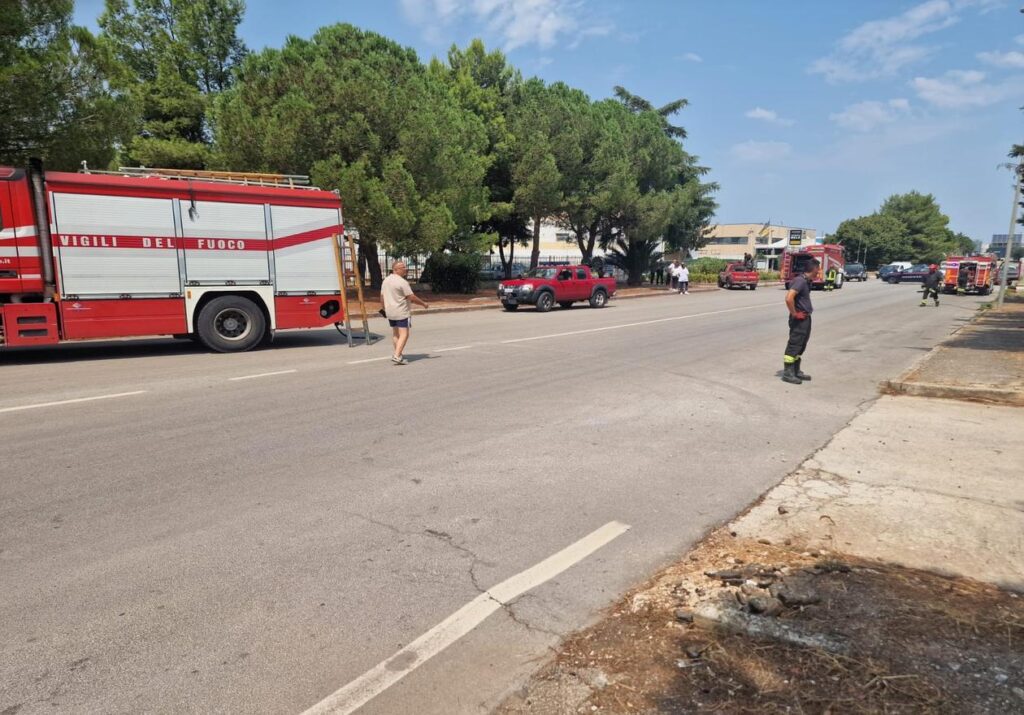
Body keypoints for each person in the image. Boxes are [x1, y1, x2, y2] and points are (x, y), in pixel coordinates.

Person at [381, 261, 428, 365]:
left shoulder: (386, 281)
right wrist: (423, 304)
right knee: (404, 334)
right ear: (395, 269)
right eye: (402, 267)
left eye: (405, 267)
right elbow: (411, 297)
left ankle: (398, 354)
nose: (405, 269)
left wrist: (383, 308)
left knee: (395, 333)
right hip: (401, 312)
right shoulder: (402, 282)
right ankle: (397, 355)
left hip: (390, 311)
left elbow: (382, 296)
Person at [782, 258, 819, 385]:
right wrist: (794, 313)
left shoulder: (806, 281)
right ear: (814, 269)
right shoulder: (800, 281)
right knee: (795, 343)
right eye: (817, 269)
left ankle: (795, 370)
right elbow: (788, 298)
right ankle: (788, 373)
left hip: (805, 318)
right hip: (799, 318)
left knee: (801, 344)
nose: (818, 272)